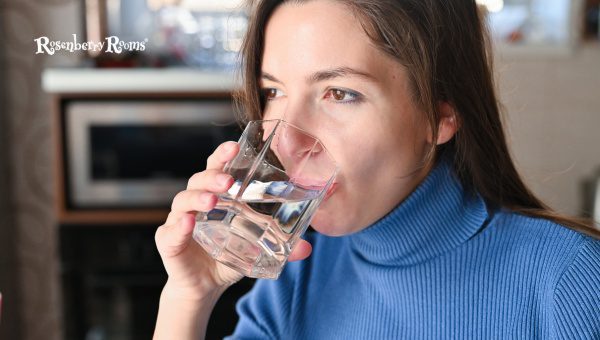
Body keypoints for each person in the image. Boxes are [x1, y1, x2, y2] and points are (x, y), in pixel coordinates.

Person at [153, 0, 600, 338]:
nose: (285, 141)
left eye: (339, 93)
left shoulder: (570, 280)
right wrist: (189, 296)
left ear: (440, 115)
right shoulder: (297, 275)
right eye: (274, 90)